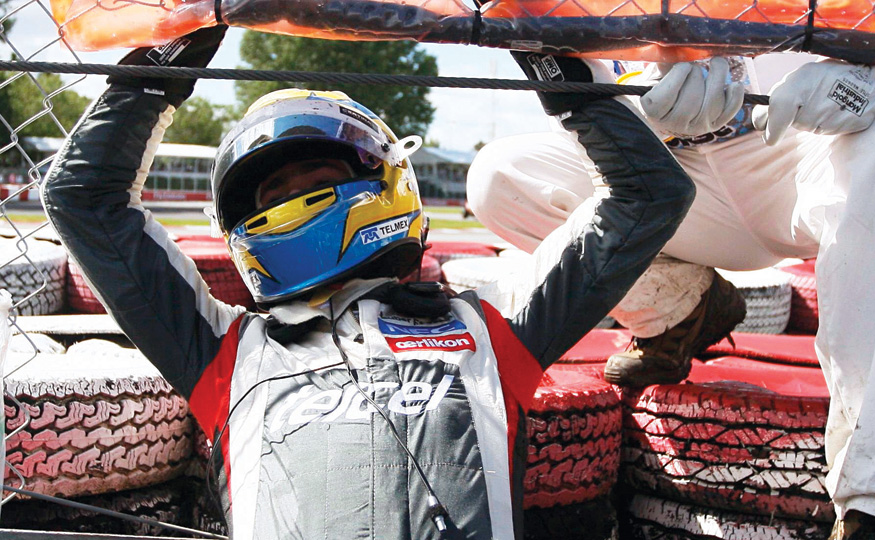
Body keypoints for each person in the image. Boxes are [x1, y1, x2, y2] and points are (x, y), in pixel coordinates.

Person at [40, 27, 700, 540]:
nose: (296, 199)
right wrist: (168, 56)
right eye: (275, 192)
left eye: (318, 178)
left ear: (385, 179)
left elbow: (650, 195)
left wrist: (546, 54)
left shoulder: (492, 327)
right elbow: (82, 198)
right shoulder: (220, 349)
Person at [468, 54, 875, 539]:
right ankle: (679, 309)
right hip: (667, 166)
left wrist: (873, 71)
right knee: (502, 176)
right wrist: (629, 111)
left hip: (802, 150)